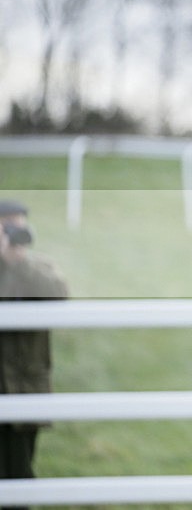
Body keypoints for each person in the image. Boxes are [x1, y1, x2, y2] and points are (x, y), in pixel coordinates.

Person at [0, 199, 68, 505]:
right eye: (7, 227)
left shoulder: (37, 267)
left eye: (20, 228)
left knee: (18, 476)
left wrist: (16, 260)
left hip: (21, 390)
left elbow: (58, 296)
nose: (14, 235)